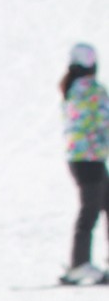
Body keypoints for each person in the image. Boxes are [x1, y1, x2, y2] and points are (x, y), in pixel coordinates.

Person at [58, 42, 109, 284]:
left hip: (78, 158)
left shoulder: (71, 89)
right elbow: (105, 121)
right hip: (92, 157)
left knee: (103, 203)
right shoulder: (93, 90)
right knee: (91, 209)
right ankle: (79, 264)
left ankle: (80, 262)